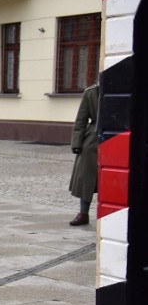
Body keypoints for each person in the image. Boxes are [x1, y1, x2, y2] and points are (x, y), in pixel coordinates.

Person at [68, 84, 99, 226]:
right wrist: (77, 143)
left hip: (119, 136)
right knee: (86, 178)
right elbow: (81, 118)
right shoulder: (91, 93)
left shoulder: (125, 89)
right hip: (93, 138)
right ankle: (83, 213)